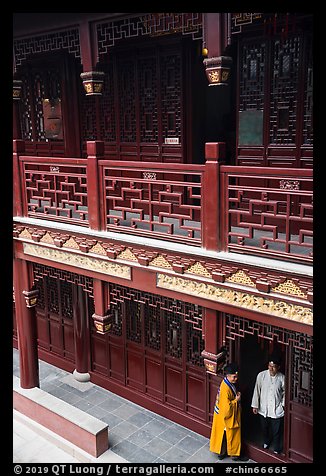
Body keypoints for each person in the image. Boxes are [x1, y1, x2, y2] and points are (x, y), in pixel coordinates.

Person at [210, 362, 249, 461]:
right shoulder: (225, 389)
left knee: (222, 435)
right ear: (227, 376)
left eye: (236, 376)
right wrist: (237, 400)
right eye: (234, 377)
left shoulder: (227, 383)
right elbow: (227, 409)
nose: (236, 379)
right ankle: (234, 454)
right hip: (227, 416)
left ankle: (222, 453)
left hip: (221, 415)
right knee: (232, 435)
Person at [251, 356, 285, 454]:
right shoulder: (261, 375)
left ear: (278, 367)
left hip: (276, 409)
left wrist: (282, 405)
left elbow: (285, 393)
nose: (271, 368)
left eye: (273, 367)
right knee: (264, 428)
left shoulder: (282, 378)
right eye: (269, 366)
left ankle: (277, 448)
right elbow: (256, 390)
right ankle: (266, 442)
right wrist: (255, 405)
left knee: (276, 431)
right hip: (263, 407)